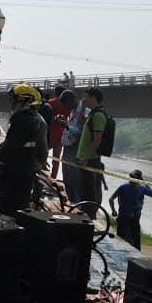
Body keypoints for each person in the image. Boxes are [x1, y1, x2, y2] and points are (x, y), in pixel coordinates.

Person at [0, 84, 42, 216]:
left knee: (9, 209)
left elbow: (12, 146)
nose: (11, 102)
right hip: (23, 171)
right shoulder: (29, 118)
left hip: (15, 172)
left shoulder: (21, 119)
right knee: (19, 207)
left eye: (13, 99)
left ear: (23, 100)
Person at [76, 87, 107, 218]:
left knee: (89, 191)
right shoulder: (93, 114)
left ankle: (90, 217)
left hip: (90, 160)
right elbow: (81, 121)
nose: (83, 99)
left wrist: (86, 158)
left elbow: (97, 140)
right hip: (86, 159)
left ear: (93, 97)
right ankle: (86, 215)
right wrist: (82, 107)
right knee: (85, 190)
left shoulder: (99, 115)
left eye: (86, 97)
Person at [109, 170, 152, 249]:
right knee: (121, 241)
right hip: (123, 217)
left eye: (135, 179)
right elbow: (111, 199)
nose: (133, 180)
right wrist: (113, 210)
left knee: (135, 242)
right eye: (132, 178)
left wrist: (144, 182)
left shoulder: (141, 188)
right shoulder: (123, 187)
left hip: (135, 218)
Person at [57, 90, 83, 202]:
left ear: (71, 100)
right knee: (67, 181)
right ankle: (71, 204)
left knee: (74, 182)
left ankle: (77, 207)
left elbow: (82, 132)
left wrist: (67, 126)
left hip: (75, 150)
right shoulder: (73, 111)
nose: (64, 107)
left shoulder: (83, 111)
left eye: (65, 104)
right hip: (67, 149)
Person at [48, 86, 71, 178]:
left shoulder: (50, 102)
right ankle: (53, 177)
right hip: (61, 135)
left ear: (55, 92)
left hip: (50, 133)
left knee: (42, 155)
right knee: (56, 159)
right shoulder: (67, 105)